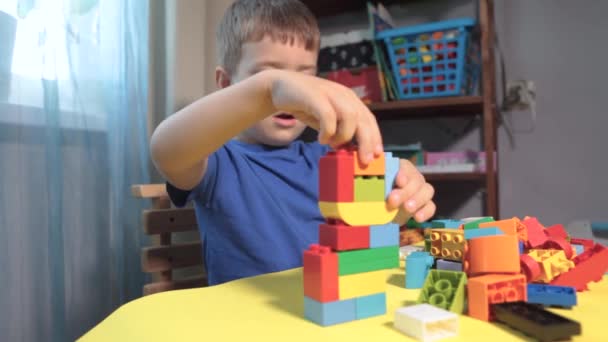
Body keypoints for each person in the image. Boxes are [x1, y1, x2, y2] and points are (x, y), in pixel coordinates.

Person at [150, 0, 436, 286]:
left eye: (305, 78)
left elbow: (366, 236)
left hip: (329, 311)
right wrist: (268, 91)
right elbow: (166, 149)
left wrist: (395, 203)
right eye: (270, 74)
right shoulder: (217, 162)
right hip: (249, 324)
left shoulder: (331, 157)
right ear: (226, 84)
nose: (293, 93)